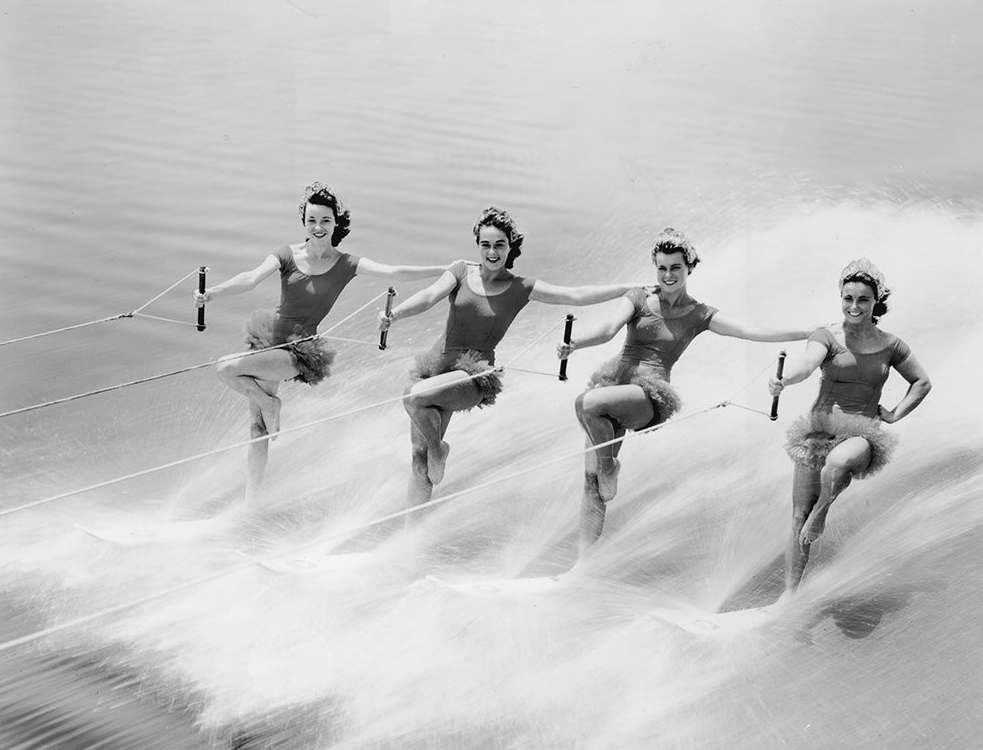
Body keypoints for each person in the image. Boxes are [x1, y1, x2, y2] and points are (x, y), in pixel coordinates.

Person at [556, 227, 813, 563]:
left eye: (675, 267)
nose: (667, 275)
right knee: (591, 485)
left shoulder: (699, 314)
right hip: (614, 385)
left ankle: (609, 467)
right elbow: (606, 331)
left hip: (647, 395)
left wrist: (808, 331)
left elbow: (752, 331)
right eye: (661, 268)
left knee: (584, 406)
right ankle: (581, 565)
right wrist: (574, 344)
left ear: (689, 267)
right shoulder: (637, 298)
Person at [194, 182, 455, 500]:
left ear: (336, 223)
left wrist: (445, 268)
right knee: (257, 430)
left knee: (225, 368)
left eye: (325, 221)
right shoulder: (287, 255)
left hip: (298, 352)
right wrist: (213, 292)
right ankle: (252, 502)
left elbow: (395, 271)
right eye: (312, 220)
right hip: (268, 341)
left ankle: (268, 402)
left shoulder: (346, 264)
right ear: (304, 221)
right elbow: (250, 278)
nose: (318, 227)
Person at [377, 206, 642, 509]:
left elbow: (576, 295)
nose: (492, 252)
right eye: (485, 244)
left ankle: (439, 450)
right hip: (437, 367)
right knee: (417, 458)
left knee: (414, 399)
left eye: (499, 245)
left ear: (510, 246)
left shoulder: (519, 287)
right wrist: (393, 315)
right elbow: (428, 296)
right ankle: (412, 534)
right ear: (477, 245)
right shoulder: (461, 272)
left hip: (472, 375)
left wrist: (628, 288)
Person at [768, 258, 931, 591]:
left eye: (863, 300)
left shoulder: (892, 345)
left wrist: (895, 414)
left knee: (838, 463)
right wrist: (784, 381)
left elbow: (922, 382)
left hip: (863, 435)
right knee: (798, 515)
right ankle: (788, 596)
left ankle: (822, 513)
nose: (854, 307)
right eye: (848, 298)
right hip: (818, 432)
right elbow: (806, 364)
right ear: (840, 298)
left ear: (876, 303)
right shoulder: (826, 335)